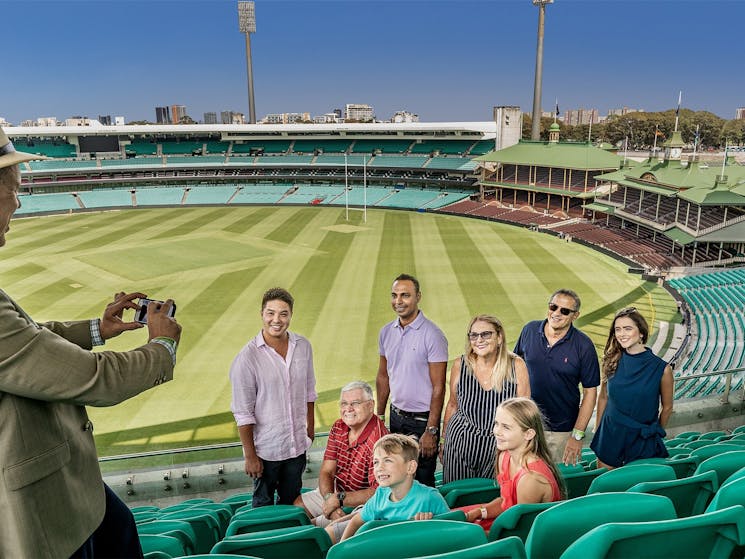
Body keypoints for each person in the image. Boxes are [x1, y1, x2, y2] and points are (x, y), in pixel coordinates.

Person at [0, 126, 182, 558]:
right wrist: (162, 347)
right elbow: (96, 379)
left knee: (120, 525)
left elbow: (29, 342)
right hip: (46, 512)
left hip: (71, 490)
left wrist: (98, 329)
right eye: (13, 188)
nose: (18, 201)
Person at [230, 287, 317, 507]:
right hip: (266, 452)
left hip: (296, 447)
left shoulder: (303, 346)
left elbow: (309, 391)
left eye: (283, 313)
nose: (276, 320)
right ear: (262, 314)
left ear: (290, 315)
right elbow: (243, 413)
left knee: (292, 504)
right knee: (263, 507)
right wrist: (250, 457)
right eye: (270, 313)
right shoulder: (246, 358)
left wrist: (310, 430)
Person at [376, 273, 448, 486]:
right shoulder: (386, 332)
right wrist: (380, 417)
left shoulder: (432, 335)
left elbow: (439, 387)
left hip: (422, 422)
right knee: (396, 478)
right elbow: (383, 376)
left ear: (418, 297)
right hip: (396, 417)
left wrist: (431, 430)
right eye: (394, 295)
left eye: (405, 295)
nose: (398, 301)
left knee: (423, 481)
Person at [513, 289, 600, 464]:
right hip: (525, 425)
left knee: (553, 483)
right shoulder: (529, 330)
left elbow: (590, 393)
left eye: (565, 311)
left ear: (575, 315)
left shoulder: (584, 345)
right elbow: (514, 369)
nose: (557, 313)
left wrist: (577, 435)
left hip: (560, 431)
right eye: (553, 307)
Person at [441, 314, 530, 483]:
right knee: (457, 494)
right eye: (474, 335)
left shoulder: (516, 365)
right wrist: (444, 441)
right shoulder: (460, 364)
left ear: (499, 337)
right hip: (460, 442)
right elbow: (453, 405)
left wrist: (521, 449)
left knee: (493, 497)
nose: (479, 340)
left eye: (486, 334)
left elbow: (524, 414)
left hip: (499, 447)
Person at [294, 381, 387, 535]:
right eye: (344, 403)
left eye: (355, 403)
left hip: (366, 503)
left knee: (315, 529)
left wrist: (339, 500)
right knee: (298, 508)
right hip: (338, 493)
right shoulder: (339, 426)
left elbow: (379, 492)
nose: (348, 409)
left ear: (371, 405)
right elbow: (327, 472)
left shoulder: (380, 439)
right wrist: (330, 498)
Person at [460, 397, 564, 533]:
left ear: (528, 434)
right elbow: (506, 502)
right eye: (496, 423)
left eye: (506, 427)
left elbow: (522, 531)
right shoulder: (505, 456)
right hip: (509, 522)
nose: (496, 431)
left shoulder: (530, 479)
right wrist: (480, 512)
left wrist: (478, 535)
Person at [591, 307, 674, 468]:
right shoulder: (611, 360)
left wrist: (655, 432)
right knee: (607, 486)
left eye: (628, 328)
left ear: (641, 332)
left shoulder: (662, 369)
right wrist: (598, 428)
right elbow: (603, 397)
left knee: (634, 485)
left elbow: (668, 407)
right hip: (610, 434)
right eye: (618, 329)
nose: (622, 334)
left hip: (642, 439)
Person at [333, 433, 450, 542]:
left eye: (387, 460)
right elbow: (356, 521)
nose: (379, 467)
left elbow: (452, 530)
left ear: (410, 467)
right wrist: (342, 546)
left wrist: (432, 524)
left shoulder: (430, 497)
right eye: (376, 462)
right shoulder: (380, 495)